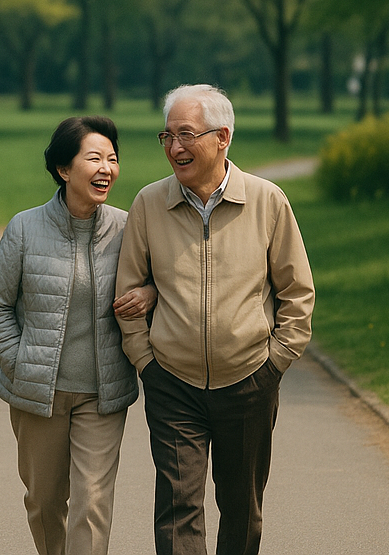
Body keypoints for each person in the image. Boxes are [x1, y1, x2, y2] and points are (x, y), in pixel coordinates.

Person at [115, 84, 315, 555]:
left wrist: (274, 363)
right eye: (167, 136)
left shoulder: (267, 201)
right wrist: (146, 363)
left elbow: (297, 292)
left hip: (249, 381)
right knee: (176, 510)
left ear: (222, 137)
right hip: (172, 384)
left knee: (242, 509)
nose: (174, 148)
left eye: (186, 135)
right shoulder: (149, 203)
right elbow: (128, 291)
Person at [0, 115, 157, 555]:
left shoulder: (129, 227)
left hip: (103, 393)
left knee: (92, 502)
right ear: (63, 169)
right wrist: (20, 363)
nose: (106, 169)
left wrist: (150, 293)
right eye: (94, 158)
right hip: (38, 393)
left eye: (112, 159)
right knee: (44, 502)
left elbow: (163, 281)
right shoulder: (25, 228)